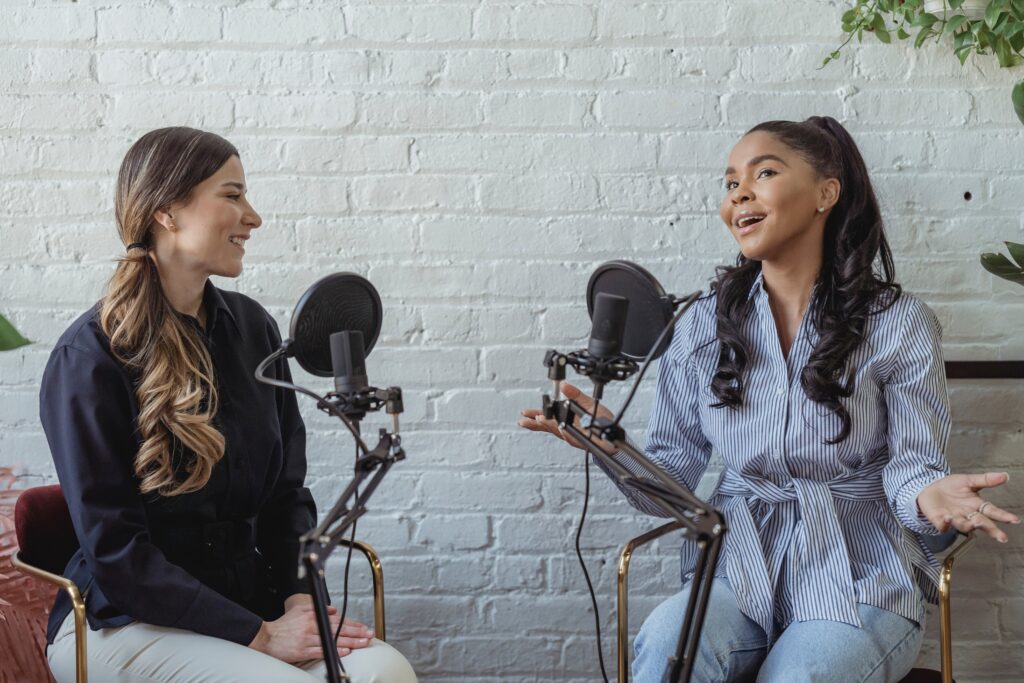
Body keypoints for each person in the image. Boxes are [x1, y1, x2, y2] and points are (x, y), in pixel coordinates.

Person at [519, 116, 1019, 682]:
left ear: (825, 193)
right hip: (738, 568)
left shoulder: (898, 323)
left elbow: (911, 464)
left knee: (801, 675)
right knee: (663, 648)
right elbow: (672, 488)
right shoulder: (700, 324)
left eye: (765, 173)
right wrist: (611, 445)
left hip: (859, 573)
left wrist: (929, 493)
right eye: (731, 183)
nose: (740, 194)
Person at [39, 127, 417, 683]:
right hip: (127, 625)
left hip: (249, 605)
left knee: (386, 670)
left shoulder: (254, 331)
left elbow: (286, 495)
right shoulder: (89, 357)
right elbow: (117, 553)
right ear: (167, 210)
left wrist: (294, 600)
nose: (254, 217)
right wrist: (260, 636)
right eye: (233, 195)